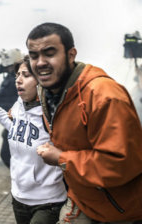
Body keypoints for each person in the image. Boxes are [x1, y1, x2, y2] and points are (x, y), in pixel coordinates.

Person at [26, 22, 142, 224]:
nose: (40, 62)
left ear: (71, 55)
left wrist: (61, 158)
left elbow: (121, 164)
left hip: (119, 210)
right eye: (34, 55)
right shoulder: (48, 91)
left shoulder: (104, 96)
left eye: (49, 53)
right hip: (81, 197)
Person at [0, 55, 67, 224]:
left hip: (47, 203)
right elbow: (13, 127)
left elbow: (74, 152)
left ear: (42, 80)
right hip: (19, 198)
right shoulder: (19, 105)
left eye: (25, 75)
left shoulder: (54, 113)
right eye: (17, 75)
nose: (18, 80)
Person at [0, 48, 23, 168]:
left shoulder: (19, 77)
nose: (7, 68)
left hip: (18, 120)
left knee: (6, 154)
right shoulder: (14, 74)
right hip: (12, 119)